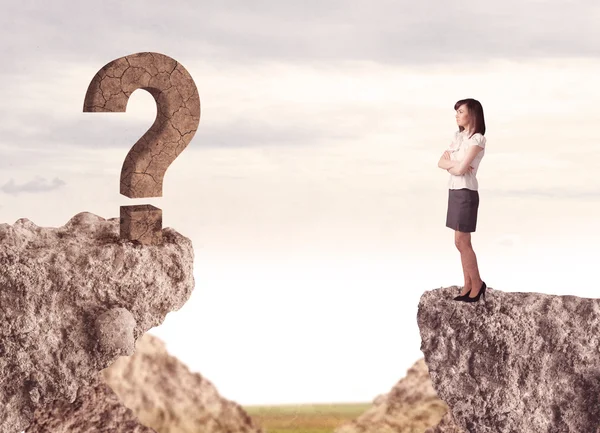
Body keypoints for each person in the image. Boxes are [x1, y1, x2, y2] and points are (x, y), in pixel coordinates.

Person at [437, 99, 487, 303]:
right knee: (458, 242)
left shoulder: (477, 140)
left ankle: (477, 284)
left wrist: (453, 164)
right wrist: (455, 164)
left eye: (460, 111)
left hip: (466, 192)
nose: (456, 115)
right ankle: (467, 284)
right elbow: (440, 162)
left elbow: (459, 169)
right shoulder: (458, 137)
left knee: (463, 241)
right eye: (456, 112)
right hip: (454, 190)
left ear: (472, 114)